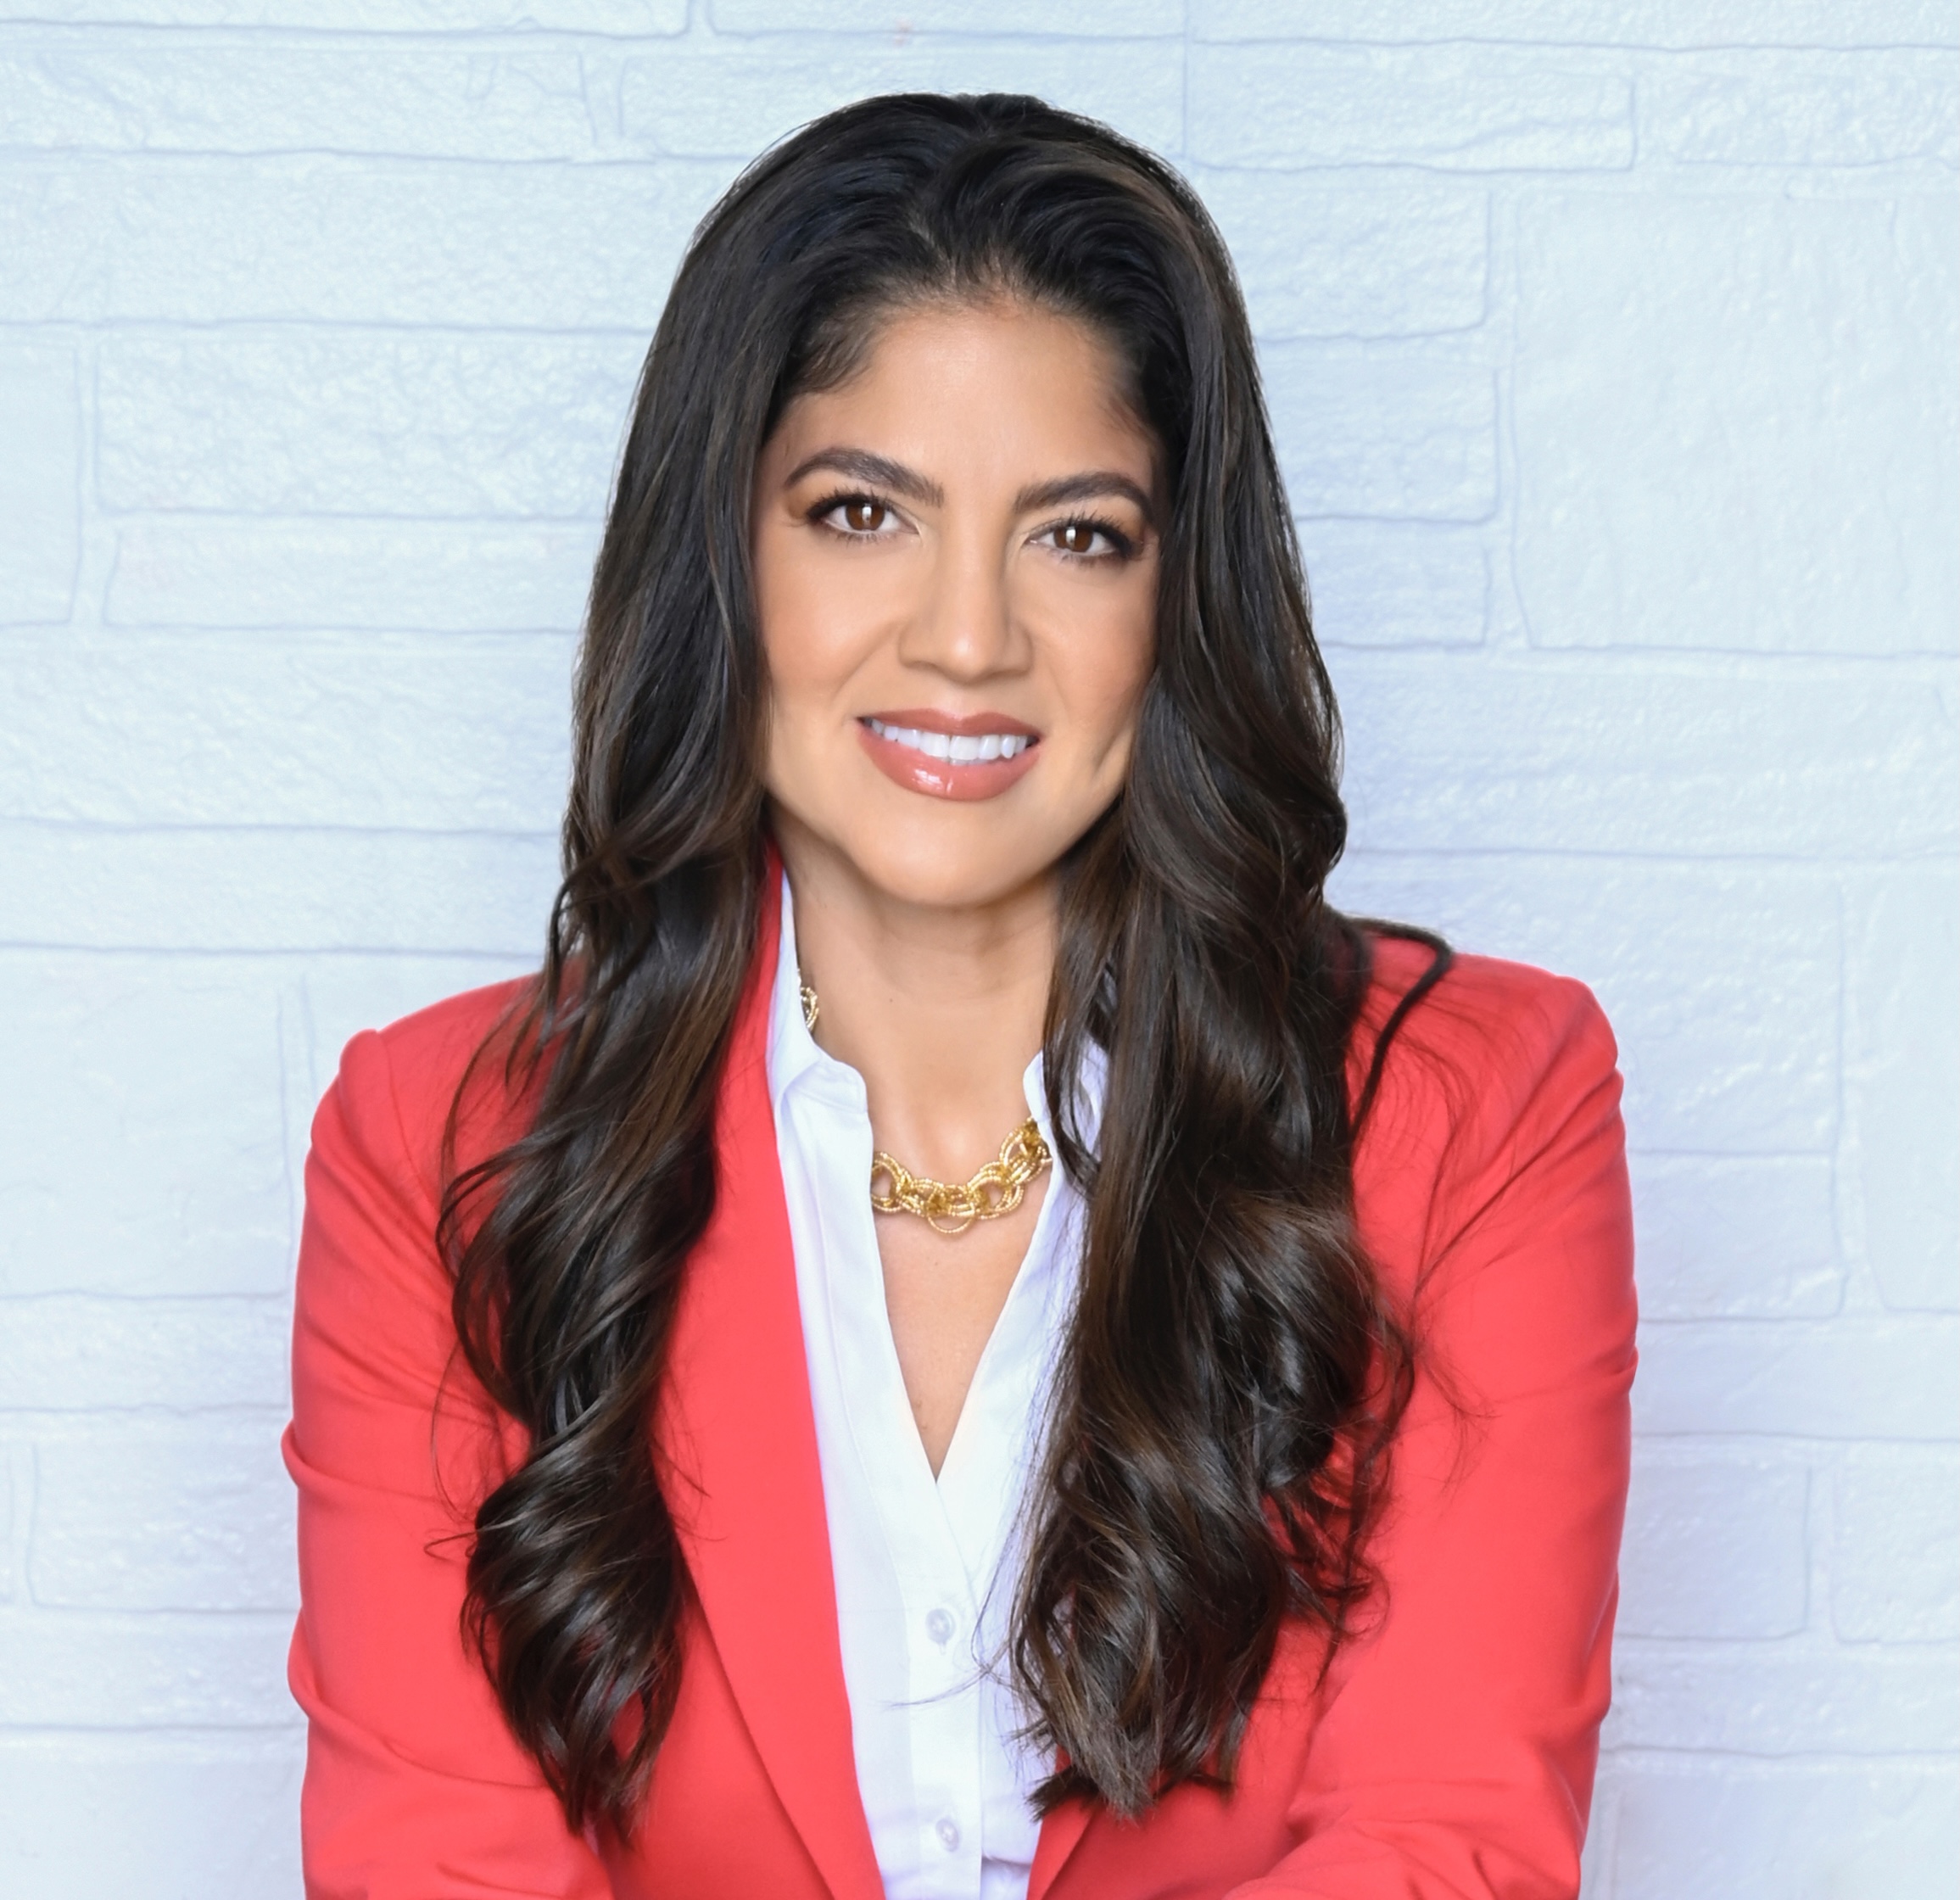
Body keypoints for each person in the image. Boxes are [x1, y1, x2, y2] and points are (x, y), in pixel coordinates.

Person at [284, 92, 1636, 1900]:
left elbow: (1444, 1848)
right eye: (861, 514)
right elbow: (437, 1865)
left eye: (1077, 535)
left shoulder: (1475, 1110)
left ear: (1178, 599)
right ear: (722, 560)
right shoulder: (439, 1147)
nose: (968, 639)